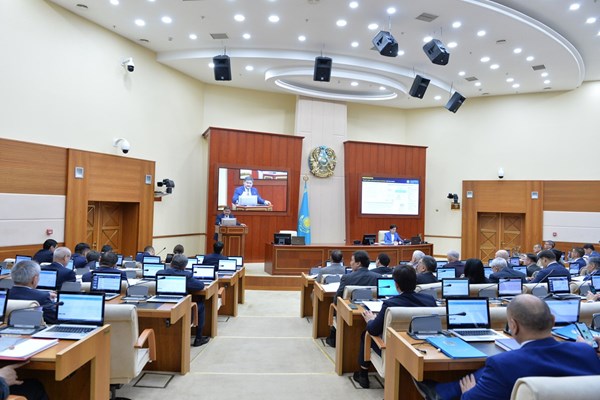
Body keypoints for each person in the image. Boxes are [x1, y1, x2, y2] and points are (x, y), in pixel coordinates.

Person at [413, 294, 600, 400]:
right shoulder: (586, 351)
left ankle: (442, 392)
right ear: (552, 321)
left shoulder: (502, 363)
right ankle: (442, 391)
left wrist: (468, 393)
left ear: (514, 326)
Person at [354, 265, 436, 388]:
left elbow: (373, 330)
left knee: (365, 334)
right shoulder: (430, 300)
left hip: (393, 349)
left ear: (396, 285)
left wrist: (370, 320)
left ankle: (363, 374)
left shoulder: (390, 304)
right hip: (425, 347)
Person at [326, 251, 380, 348]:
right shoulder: (378, 277)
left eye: (352, 260)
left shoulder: (347, 277)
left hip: (349, 313)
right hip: (373, 314)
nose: (350, 263)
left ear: (358, 263)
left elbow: (337, 299)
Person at [157, 254, 210, 346]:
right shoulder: (186, 275)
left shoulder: (160, 272)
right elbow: (200, 286)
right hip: (180, 306)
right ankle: (198, 338)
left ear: (171, 263)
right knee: (201, 305)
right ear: (184, 266)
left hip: (161, 304)